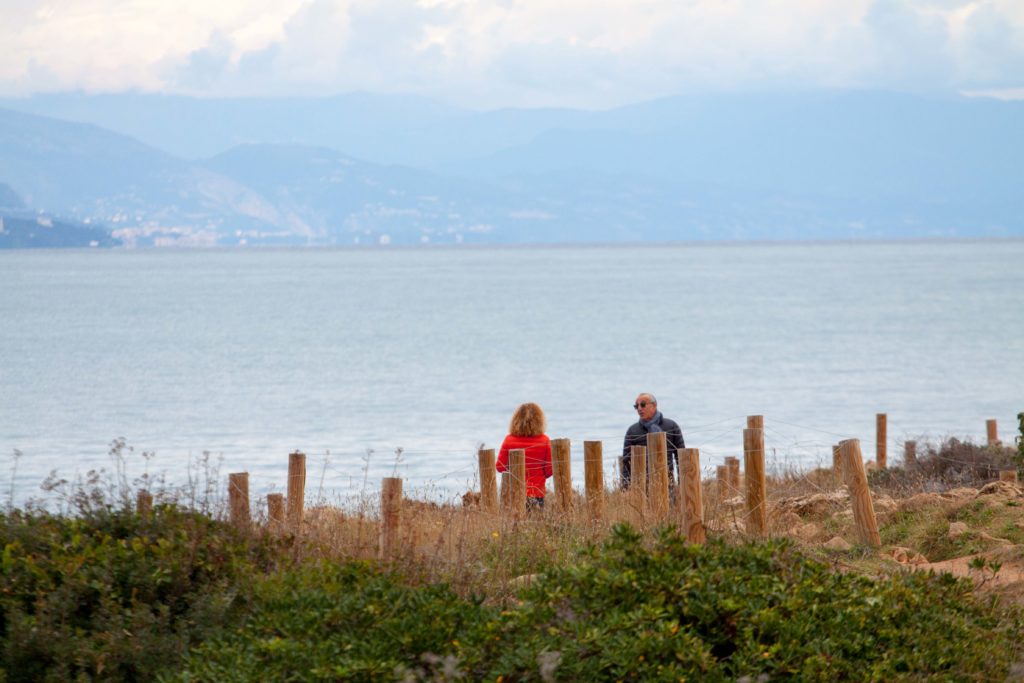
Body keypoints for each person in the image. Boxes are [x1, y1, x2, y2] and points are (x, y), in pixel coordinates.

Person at [621, 393, 685, 489]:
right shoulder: (632, 431)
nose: (639, 408)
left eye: (642, 404)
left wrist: (682, 484)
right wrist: (625, 487)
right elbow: (626, 462)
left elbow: (681, 458)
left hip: (667, 484)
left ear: (654, 405)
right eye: (636, 406)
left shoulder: (671, 426)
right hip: (641, 486)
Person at [496, 402, 553, 509]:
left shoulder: (509, 440)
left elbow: (500, 467)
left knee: (512, 525)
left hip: (512, 494)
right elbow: (549, 471)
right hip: (536, 493)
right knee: (536, 524)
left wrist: (513, 468)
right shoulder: (545, 440)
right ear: (539, 421)